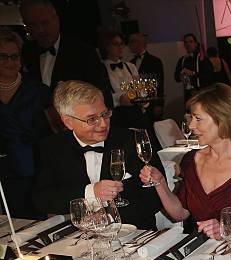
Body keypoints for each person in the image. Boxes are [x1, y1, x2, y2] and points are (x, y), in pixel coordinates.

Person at [139, 83, 231, 239]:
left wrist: (226, 229)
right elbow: (180, 213)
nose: (191, 125)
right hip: (196, 250)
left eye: (198, 119)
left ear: (223, 121)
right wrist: (159, 183)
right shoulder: (191, 160)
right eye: (191, 118)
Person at [33, 80, 162, 230]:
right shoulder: (52, 147)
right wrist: (91, 192)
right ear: (68, 122)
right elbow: (41, 199)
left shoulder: (133, 141)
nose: (103, 124)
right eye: (92, 119)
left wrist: (109, 217)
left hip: (134, 234)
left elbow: (155, 198)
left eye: (105, 114)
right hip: (79, 237)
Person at [19, 0, 111, 106]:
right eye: (33, 24)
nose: (41, 30)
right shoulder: (25, 53)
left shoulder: (83, 53)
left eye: (45, 22)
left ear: (56, 19)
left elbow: (102, 96)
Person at [0, 27, 51, 219]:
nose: (9, 62)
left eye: (14, 56)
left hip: (33, 171)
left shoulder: (39, 91)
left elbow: (55, 132)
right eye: (3, 56)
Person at [128, 32, 164, 121]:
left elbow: (159, 84)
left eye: (132, 42)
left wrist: (158, 104)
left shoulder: (155, 61)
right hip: (136, 105)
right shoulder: (130, 63)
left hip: (152, 104)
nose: (129, 45)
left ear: (140, 43)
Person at [173, 33, 214, 102]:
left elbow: (209, 76)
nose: (188, 44)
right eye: (186, 42)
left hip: (202, 93)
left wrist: (192, 73)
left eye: (191, 42)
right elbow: (176, 77)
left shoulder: (202, 59)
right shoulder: (182, 60)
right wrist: (181, 76)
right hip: (188, 94)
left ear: (195, 43)